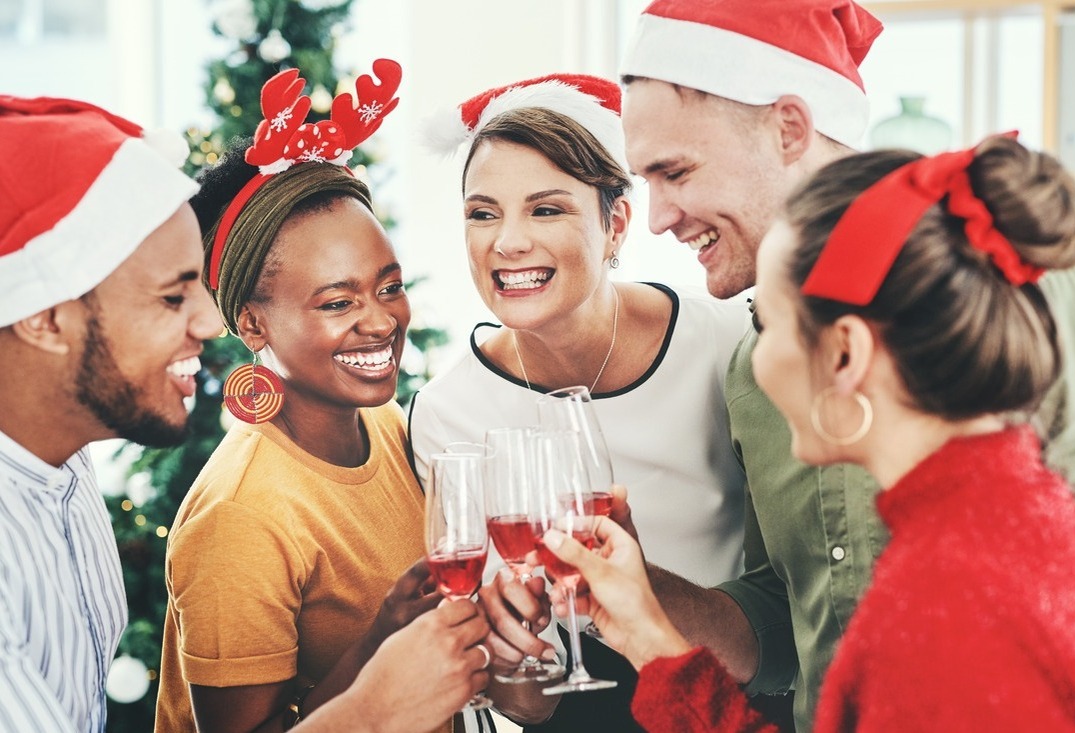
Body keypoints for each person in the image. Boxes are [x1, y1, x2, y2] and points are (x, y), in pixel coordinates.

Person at [616, 1, 1075, 729]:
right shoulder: (753, 367)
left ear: (789, 127)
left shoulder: (1037, 293)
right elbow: (791, 615)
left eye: (675, 170)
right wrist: (642, 598)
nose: (657, 217)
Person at [154, 66, 490, 733]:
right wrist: (382, 638)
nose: (381, 321)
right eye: (338, 301)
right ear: (252, 323)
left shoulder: (388, 421)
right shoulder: (240, 514)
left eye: (388, 286)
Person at [411, 74, 749, 731]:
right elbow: (528, 703)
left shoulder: (726, 347)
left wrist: (630, 590)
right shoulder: (449, 413)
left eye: (546, 209)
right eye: (483, 213)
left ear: (615, 223)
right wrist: (512, 651)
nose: (506, 242)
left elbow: (790, 609)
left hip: (727, 703)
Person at [0, 94, 221, 733]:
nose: (210, 321)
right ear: (44, 317)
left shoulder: (64, 450)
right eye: (173, 295)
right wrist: (375, 708)